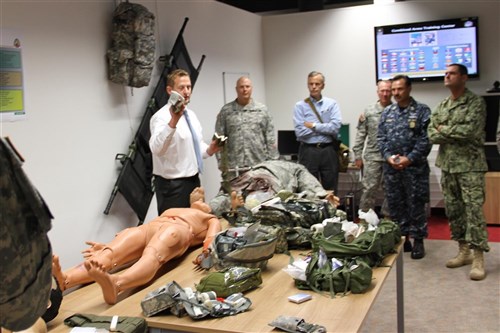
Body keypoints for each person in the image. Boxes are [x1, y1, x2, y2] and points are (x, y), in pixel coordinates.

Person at [52, 187, 222, 305]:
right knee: (110, 252)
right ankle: (65, 280)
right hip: (149, 227)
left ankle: (117, 284)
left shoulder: (209, 218)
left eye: (205, 204)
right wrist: (107, 245)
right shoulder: (181, 208)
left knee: (153, 254)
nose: (202, 202)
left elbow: (212, 237)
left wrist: (206, 252)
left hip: (179, 228)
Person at [428, 63, 490, 280]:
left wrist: (444, 130)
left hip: (470, 166)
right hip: (448, 166)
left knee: (473, 211)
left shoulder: (475, 102)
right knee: (454, 211)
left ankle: (478, 256)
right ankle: (463, 250)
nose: (447, 76)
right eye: (445, 73)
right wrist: (447, 131)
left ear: (463, 77)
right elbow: (431, 133)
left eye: (451, 73)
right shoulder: (443, 105)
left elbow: (470, 131)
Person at [149, 69, 220, 214]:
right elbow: (157, 149)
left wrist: (209, 150)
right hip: (173, 187)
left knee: (196, 227)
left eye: (189, 87)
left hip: (193, 182)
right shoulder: (161, 117)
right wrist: (173, 122)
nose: (186, 91)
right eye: (181, 88)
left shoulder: (191, 115)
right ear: (170, 90)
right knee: (175, 231)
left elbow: (195, 146)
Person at [377, 75, 431, 260]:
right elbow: (381, 139)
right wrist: (388, 157)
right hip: (392, 169)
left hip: (414, 169)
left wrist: (410, 158)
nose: (396, 93)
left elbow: (426, 140)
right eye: (393, 90)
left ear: (409, 89)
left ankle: (418, 240)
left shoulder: (422, 111)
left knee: (416, 204)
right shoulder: (387, 112)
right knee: (396, 205)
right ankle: (402, 239)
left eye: (399, 89)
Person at [209, 159, 333, 216]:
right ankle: (241, 209)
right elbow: (308, 186)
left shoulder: (291, 168)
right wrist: (321, 196)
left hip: (253, 174)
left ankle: (208, 208)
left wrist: (321, 196)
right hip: (270, 181)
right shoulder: (297, 169)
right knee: (271, 207)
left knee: (231, 192)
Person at [215, 76, 279, 182]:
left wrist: (273, 163)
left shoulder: (262, 110)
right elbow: (219, 139)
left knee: (260, 197)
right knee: (235, 198)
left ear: (251, 88)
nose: (245, 89)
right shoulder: (226, 111)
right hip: (234, 169)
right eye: (241, 87)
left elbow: (270, 138)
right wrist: (222, 164)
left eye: (247, 86)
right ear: (236, 89)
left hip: (258, 166)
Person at [293, 71, 342, 194]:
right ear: (307, 85)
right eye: (311, 84)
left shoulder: (332, 104)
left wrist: (313, 126)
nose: (314, 86)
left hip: (328, 150)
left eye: (317, 84)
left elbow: (335, 127)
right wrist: (325, 128)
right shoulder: (300, 106)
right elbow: (300, 132)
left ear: (323, 86)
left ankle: (332, 213)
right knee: (309, 189)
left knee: (330, 189)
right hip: (308, 151)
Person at [352, 80, 392, 216]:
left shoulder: (397, 110)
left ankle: (388, 219)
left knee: (391, 190)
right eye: (382, 91)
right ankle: (365, 218)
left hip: (391, 158)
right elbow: (361, 134)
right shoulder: (369, 111)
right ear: (378, 92)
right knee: (369, 189)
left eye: (388, 91)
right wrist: (357, 155)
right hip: (372, 157)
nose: (385, 94)